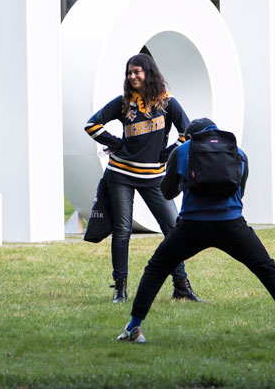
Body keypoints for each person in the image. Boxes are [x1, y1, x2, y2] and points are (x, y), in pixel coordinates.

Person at [116, 118, 275, 344]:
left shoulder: (181, 152)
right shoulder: (238, 152)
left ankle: (134, 328)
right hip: (231, 224)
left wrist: (184, 182)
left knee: (156, 268)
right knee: (267, 269)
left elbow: (167, 192)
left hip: (192, 225)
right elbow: (240, 192)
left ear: (191, 137)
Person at [84, 53, 202, 304]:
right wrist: (117, 144)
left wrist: (168, 154)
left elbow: (188, 132)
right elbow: (92, 125)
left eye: (137, 71)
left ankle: (181, 285)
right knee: (122, 230)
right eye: (129, 72)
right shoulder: (124, 103)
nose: (132, 76)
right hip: (120, 174)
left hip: (154, 178)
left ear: (149, 73)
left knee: (172, 229)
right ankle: (120, 290)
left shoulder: (167, 103)